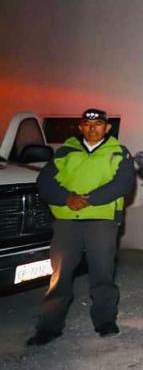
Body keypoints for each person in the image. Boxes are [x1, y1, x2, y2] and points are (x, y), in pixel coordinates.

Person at [28, 108, 135, 346]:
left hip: (102, 220)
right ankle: (49, 326)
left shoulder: (118, 152)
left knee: (102, 272)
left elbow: (123, 183)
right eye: (87, 124)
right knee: (59, 275)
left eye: (98, 124)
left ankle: (105, 321)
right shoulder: (65, 152)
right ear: (80, 127)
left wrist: (87, 199)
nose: (92, 128)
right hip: (67, 220)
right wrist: (66, 198)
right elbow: (44, 181)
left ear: (107, 128)